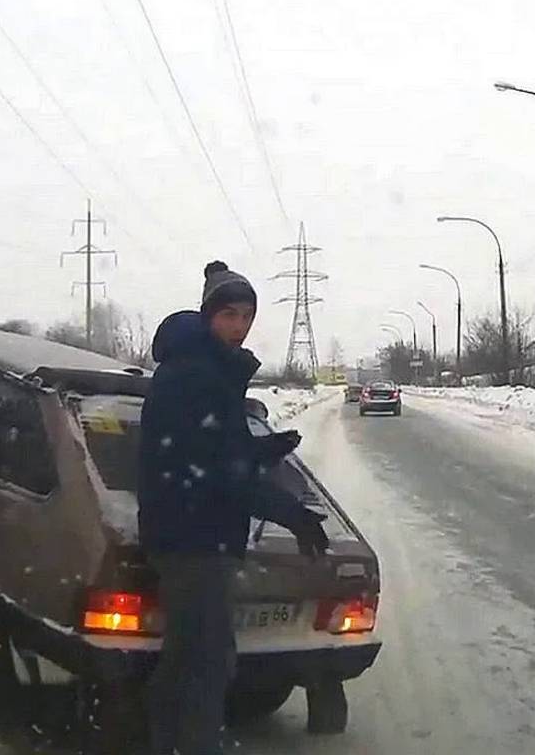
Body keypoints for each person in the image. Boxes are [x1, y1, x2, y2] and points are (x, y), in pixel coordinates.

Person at [138, 260, 330, 755]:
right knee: (206, 662)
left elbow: (221, 450)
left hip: (193, 531)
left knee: (189, 658)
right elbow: (221, 472)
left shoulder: (208, 370)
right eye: (229, 314)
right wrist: (291, 512)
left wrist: (266, 448)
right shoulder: (195, 376)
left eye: (246, 316)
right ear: (208, 317)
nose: (239, 326)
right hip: (192, 537)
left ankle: (166, 742)